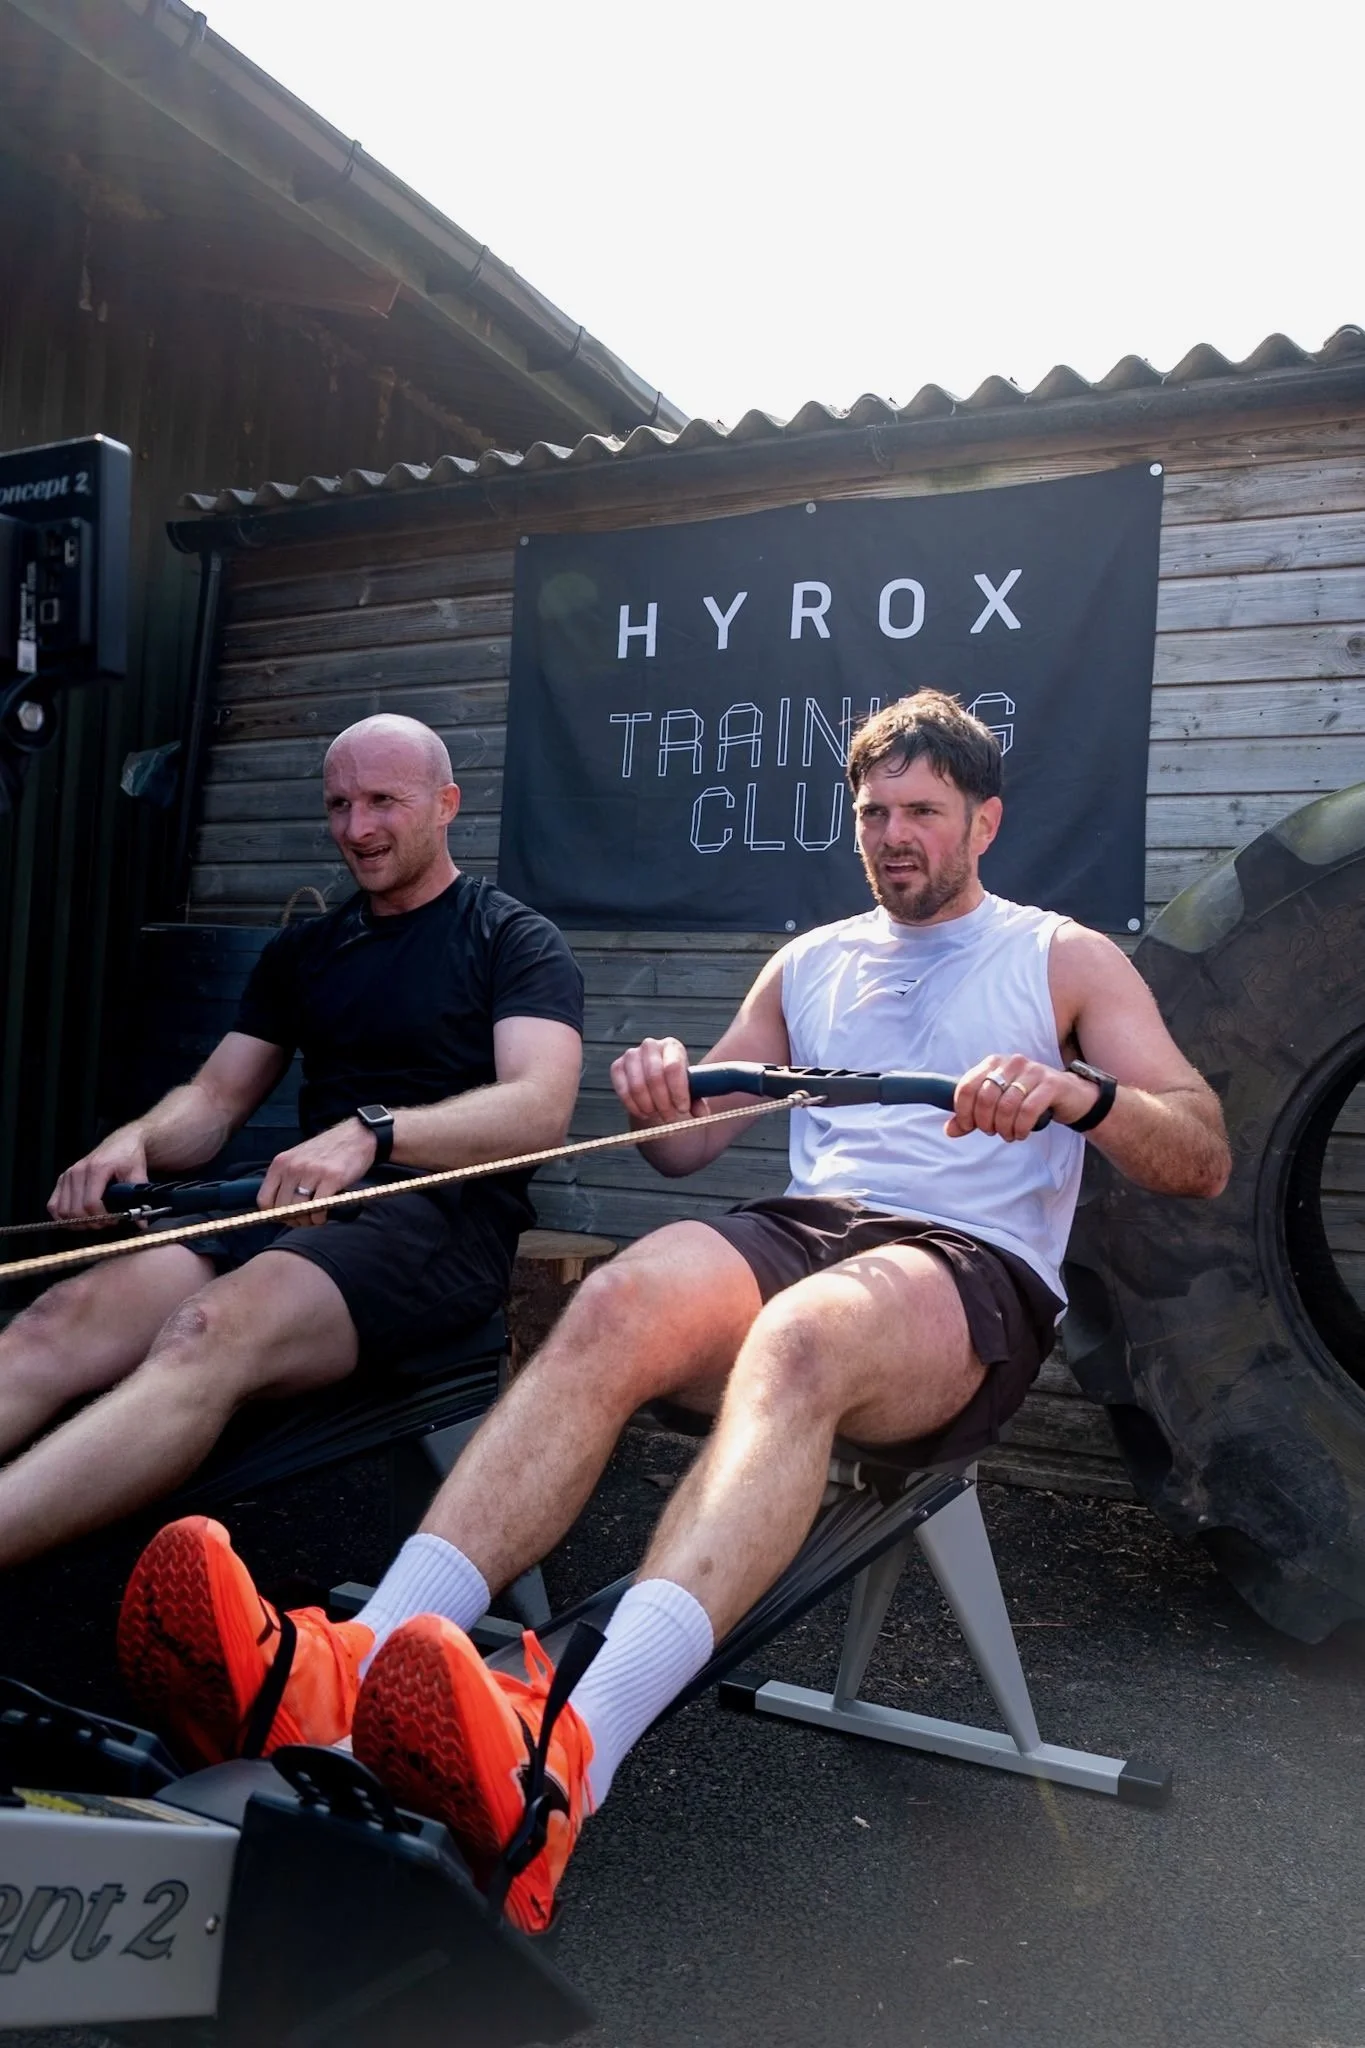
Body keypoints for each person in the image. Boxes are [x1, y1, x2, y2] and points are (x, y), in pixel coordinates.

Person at [120, 690, 1230, 1934]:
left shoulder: (1061, 954)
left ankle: (567, 1756)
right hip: (813, 1224)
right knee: (614, 1300)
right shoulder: (811, 959)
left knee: (801, 1337)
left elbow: (1199, 1151)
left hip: (971, 1267)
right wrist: (660, 1095)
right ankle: (360, 1655)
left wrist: (1080, 1095)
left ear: (986, 820)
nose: (894, 834)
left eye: (922, 811)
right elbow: (691, 1155)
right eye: (874, 812)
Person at [0, 714, 583, 1567]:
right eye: (340, 804)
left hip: (435, 1223)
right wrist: (137, 1140)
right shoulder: (308, 949)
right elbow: (214, 1100)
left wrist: (376, 1133)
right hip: (295, 1204)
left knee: (205, 1329)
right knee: (56, 1317)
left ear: (446, 803)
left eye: (384, 801)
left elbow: (539, 1109)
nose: (358, 828)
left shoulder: (512, 938)